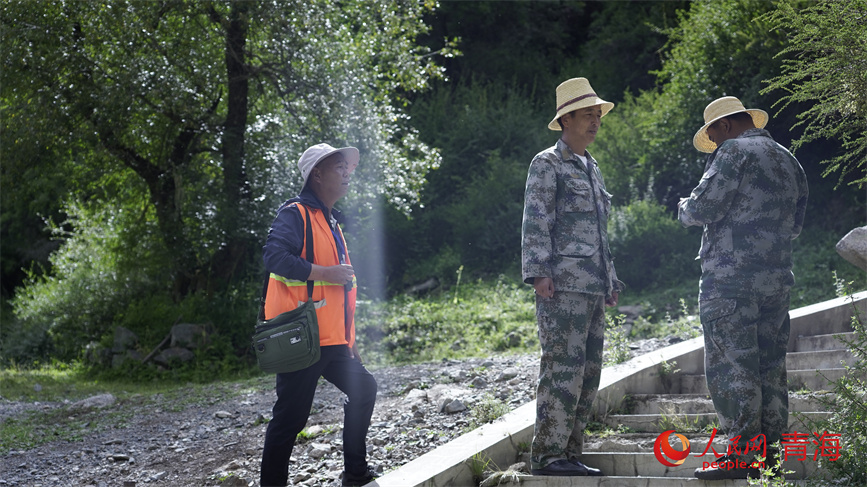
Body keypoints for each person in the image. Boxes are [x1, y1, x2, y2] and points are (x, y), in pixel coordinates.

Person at [678, 96, 808, 480]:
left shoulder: (733, 153)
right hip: (775, 280)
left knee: (733, 365)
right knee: (770, 368)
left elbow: (702, 208)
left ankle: (740, 455)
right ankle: (770, 457)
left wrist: (684, 206)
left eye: (714, 135)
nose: (714, 143)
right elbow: (796, 225)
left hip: (730, 283)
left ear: (726, 126)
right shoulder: (789, 160)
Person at [521, 77, 624, 477]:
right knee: (562, 367)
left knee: (589, 371)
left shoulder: (591, 166)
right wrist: (538, 273)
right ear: (566, 119)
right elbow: (535, 221)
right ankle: (548, 455)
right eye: (588, 115)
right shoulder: (547, 163)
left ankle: (570, 451)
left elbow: (599, 232)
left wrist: (610, 279)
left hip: (593, 285)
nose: (596, 122)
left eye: (598, 115)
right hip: (561, 285)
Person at [260, 143, 378, 487]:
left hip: (333, 341)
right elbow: (274, 258)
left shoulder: (330, 221)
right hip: (301, 339)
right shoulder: (294, 213)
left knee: (365, 389)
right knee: (290, 420)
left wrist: (350, 341)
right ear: (317, 174)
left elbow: (344, 291)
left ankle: (355, 474)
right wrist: (324, 272)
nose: (346, 174)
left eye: (347, 168)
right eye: (338, 168)